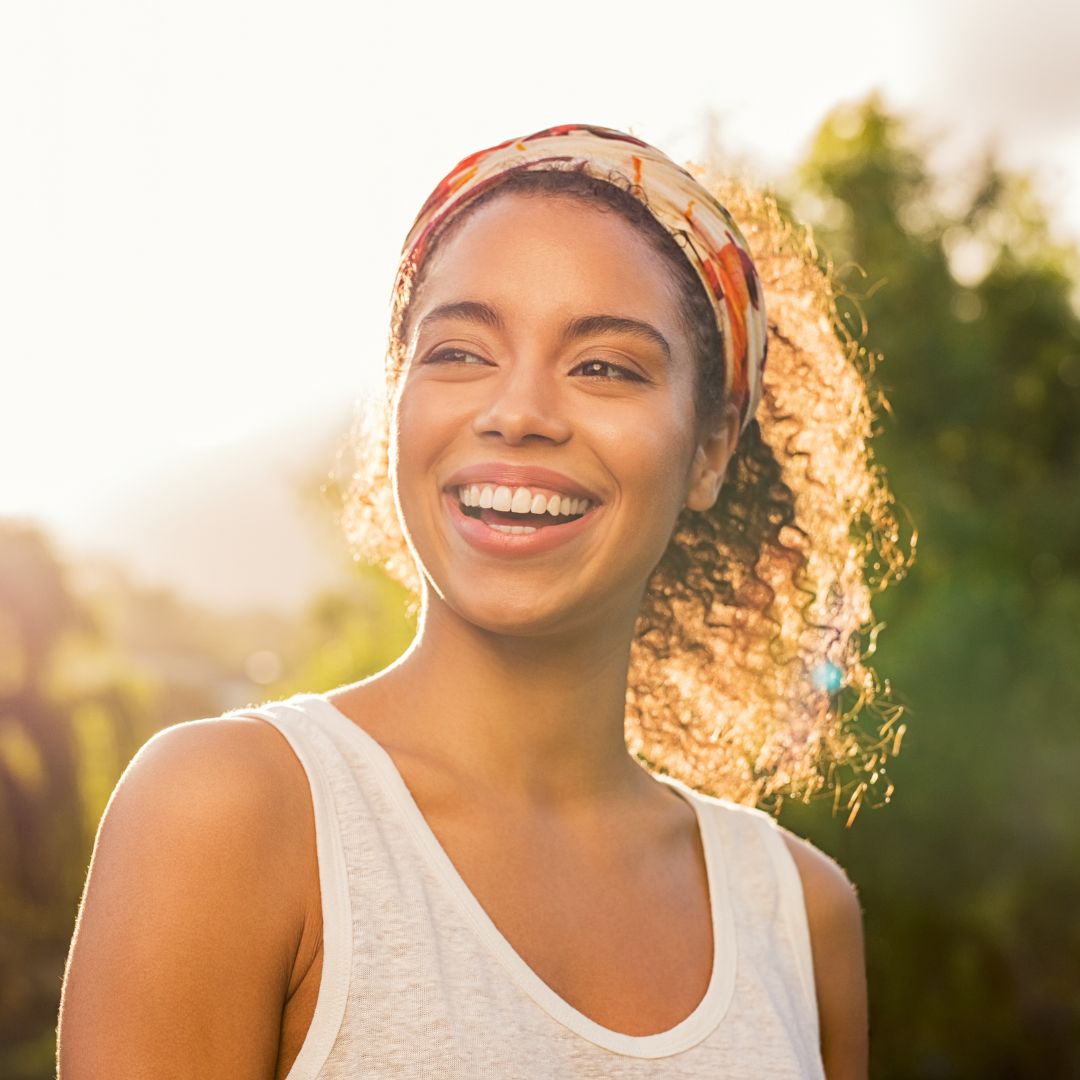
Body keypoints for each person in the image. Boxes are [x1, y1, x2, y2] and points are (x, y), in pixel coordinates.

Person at [58, 123, 908, 1079]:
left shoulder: (799, 916)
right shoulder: (227, 813)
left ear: (709, 450)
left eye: (604, 366)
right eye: (460, 352)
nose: (517, 413)